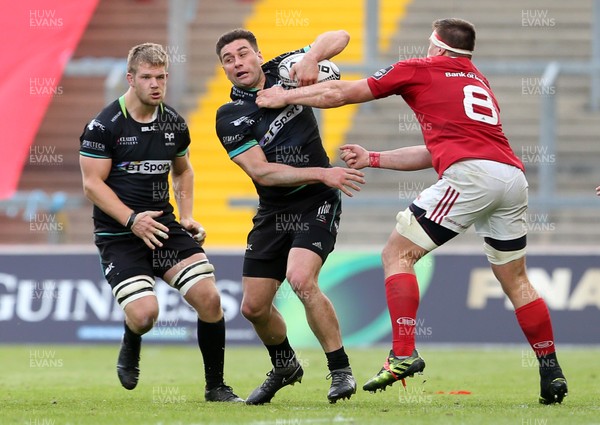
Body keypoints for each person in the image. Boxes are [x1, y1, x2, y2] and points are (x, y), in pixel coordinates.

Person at [256, 18, 568, 405]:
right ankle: (550, 369)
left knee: (397, 254)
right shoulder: (478, 82)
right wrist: (373, 158)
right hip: (510, 178)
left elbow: (340, 92)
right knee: (516, 279)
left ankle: (403, 353)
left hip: (471, 176)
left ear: (437, 47)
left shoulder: (419, 68)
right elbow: (437, 152)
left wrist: (283, 97)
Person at [79, 42, 242, 402]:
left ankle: (215, 386)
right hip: (118, 234)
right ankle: (131, 338)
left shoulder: (174, 123)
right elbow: (92, 184)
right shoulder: (103, 126)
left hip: (164, 228)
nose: (156, 84)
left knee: (210, 299)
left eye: (162, 77)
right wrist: (132, 219)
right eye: (148, 77)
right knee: (145, 314)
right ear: (131, 78)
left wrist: (186, 216)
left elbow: (183, 172)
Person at [214, 29, 365, 404]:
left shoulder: (284, 69)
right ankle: (285, 365)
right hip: (274, 209)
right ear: (224, 70)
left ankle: (340, 370)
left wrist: (311, 58)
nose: (237, 63)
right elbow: (262, 172)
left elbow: (340, 35)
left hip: (316, 201)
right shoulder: (230, 116)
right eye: (228, 60)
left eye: (243, 54)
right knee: (253, 307)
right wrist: (323, 171)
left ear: (257, 54)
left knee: (301, 278)